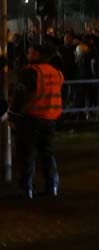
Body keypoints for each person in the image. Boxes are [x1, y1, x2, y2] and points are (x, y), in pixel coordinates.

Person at [11, 44, 63, 198]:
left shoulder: (31, 72)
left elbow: (20, 96)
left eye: (31, 52)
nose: (28, 54)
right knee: (47, 153)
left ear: (37, 55)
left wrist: (13, 115)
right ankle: (52, 186)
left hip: (31, 118)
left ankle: (27, 189)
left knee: (27, 153)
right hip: (50, 118)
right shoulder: (57, 73)